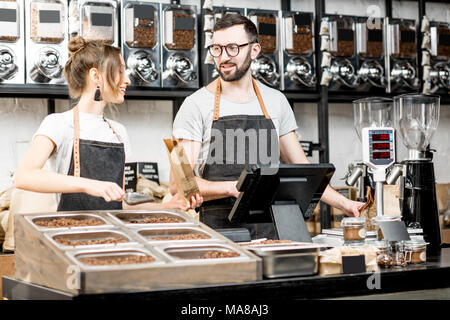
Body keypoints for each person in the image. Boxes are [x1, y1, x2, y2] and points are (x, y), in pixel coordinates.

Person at [170, 14, 364, 238]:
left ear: (254, 50)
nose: (223, 57)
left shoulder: (276, 102)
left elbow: (301, 166)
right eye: (217, 48)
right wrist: (232, 188)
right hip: (221, 236)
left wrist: (345, 204)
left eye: (233, 48)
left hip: (273, 233)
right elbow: (179, 185)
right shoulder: (194, 105)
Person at [14, 37, 202, 212]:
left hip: (113, 235)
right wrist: (91, 185)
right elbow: (24, 176)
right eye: (120, 71)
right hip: (72, 234)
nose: (127, 80)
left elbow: (122, 203)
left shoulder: (119, 132)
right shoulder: (58, 124)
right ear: (96, 76)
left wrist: (168, 206)